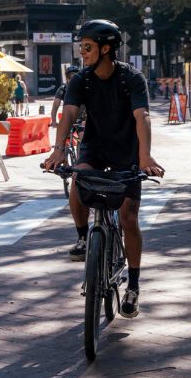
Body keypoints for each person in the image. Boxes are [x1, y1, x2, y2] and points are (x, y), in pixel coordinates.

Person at [43, 19, 165, 319]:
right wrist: (58, 150)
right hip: (94, 147)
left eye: (87, 47)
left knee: (128, 217)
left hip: (128, 151)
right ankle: (85, 236)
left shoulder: (131, 79)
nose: (81, 53)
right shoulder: (80, 80)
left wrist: (146, 156)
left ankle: (133, 285)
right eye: (80, 47)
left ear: (106, 48)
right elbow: (69, 114)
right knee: (77, 179)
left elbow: (142, 116)